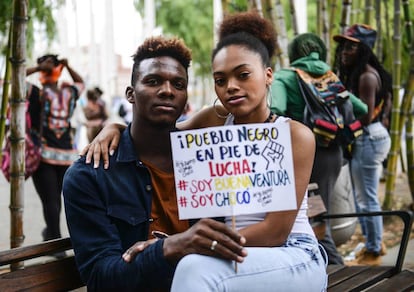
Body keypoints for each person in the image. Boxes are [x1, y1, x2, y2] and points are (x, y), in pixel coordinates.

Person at [80, 12, 327, 291]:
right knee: (195, 268)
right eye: (220, 80)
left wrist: (190, 243)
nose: (231, 86)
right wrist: (114, 127)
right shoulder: (215, 121)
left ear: (268, 75)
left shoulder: (295, 135)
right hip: (232, 255)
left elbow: (275, 231)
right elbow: (160, 132)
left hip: (292, 254)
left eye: (243, 75)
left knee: (194, 268)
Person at [63, 36, 247, 291]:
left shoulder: (207, 159)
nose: (167, 90)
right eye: (153, 81)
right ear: (130, 94)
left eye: (178, 84)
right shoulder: (90, 175)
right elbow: (100, 277)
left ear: (185, 98)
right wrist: (168, 249)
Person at [270, 33, 368, 264]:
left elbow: (276, 110)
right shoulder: (329, 77)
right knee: (315, 212)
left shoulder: (284, 77)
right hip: (332, 156)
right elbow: (361, 108)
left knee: (315, 216)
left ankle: (335, 268)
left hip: (304, 158)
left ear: (295, 52)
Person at [333, 24, 392, 265]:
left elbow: (366, 115)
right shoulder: (361, 74)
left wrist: (345, 132)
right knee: (362, 197)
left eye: (351, 47)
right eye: (344, 46)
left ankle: (373, 250)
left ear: (364, 50)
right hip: (370, 136)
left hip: (368, 137)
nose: (345, 51)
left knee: (367, 198)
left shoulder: (367, 76)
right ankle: (373, 244)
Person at [26, 54, 84, 243]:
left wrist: (37, 68)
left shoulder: (35, 92)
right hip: (67, 156)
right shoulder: (69, 93)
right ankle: (51, 233)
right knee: (55, 198)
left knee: (50, 200)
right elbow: (80, 82)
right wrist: (67, 66)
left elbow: (13, 79)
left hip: (43, 155)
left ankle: (54, 238)